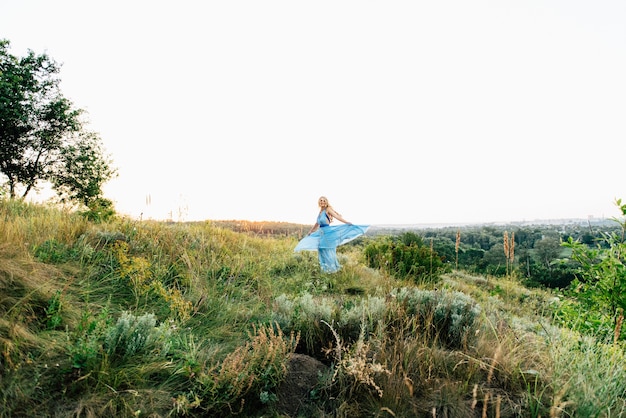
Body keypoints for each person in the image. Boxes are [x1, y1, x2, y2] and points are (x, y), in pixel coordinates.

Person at [294, 196, 369, 273]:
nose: (322, 202)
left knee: (327, 250)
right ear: (319, 202)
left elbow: (337, 216)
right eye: (320, 201)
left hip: (328, 234)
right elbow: (317, 224)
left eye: (324, 200)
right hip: (321, 233)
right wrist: (311, 231)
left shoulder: (328, 209)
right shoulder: (320, 211)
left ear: (326, 202)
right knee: (321, 250)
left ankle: (332, 270)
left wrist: (346, 222)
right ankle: (325, 269)